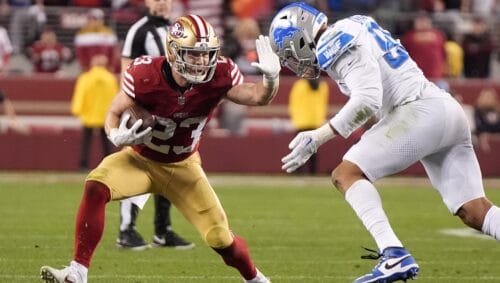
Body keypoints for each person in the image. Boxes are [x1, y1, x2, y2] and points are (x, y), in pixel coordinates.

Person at [39, 14, 280, 283]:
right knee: (96, 185)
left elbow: (257, 96)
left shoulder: (219, 75)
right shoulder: (145, 74)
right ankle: (77, 273)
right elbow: (114, 111)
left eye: (206, 54)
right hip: (139, 160)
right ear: (174, 52)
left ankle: (257, 279)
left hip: (183, 168)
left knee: (220, 238)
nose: (202, 62)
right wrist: (114, 134)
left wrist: (271, 80)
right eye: (193, 54)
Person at [270, 3, 500, 283]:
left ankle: (393, 255)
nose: (293, 60)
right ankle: (394, 256)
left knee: (346, 174)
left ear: (301, 36)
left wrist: (318, 136)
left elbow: (368, 99)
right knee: (475, 211)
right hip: (444, 109)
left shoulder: (332, 41)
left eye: (290, 51)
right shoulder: (355, 23)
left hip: (419, 110)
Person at [118, 0, 193, 250]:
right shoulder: (139, 30)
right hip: (145, 111)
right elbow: (125, 73)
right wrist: (133, 110)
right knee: (137, 168)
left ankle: (163, 230)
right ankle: (126, 229)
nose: (161, 2)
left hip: (171, 112)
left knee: (169, 168)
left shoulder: (175, 30)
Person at [71, 54, 118, 170]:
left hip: (89, 115)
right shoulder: (110, 79)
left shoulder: (85, 78)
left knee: (86, 142)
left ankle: (83, 165)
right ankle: (109, 165)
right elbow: (115, 97)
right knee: (107, 142)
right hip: (105, 116)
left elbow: (80, 95)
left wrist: (76, 110)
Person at [288, 78, 328, 174]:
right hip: (315, 122)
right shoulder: (323, 85)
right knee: (312, 150)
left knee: (298, 149)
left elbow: (294, 102)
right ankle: (311, 172)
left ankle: (297, 171)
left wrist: (295, 118)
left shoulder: (300, 85)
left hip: (302, 122)